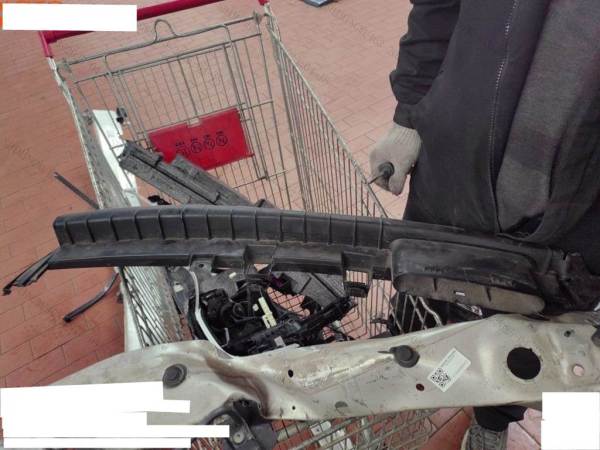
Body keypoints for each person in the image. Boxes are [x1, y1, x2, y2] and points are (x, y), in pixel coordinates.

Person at [369, 0, 600, 449]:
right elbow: (438, 5)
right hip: (458, 170)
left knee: (565, 356)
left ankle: (507, 426)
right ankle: (453, 403)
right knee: (438, 304)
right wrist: (409, 115)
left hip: (580, 220)